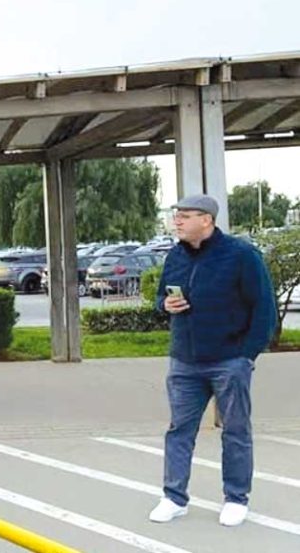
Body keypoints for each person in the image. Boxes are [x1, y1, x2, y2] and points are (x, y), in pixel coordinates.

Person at [149, 195, 276, 527]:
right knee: (179, 430)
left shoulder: (240, 255)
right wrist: (165, 305)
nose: (177, 221)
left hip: (229, 360)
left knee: (234, 430)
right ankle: (174, 497)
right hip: (184, 361)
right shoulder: (176, 255)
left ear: (206, 220)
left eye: (185, 216)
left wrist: (246, 356)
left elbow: (264, 309)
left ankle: (236, 498)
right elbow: (161, 296)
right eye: (176, 215)